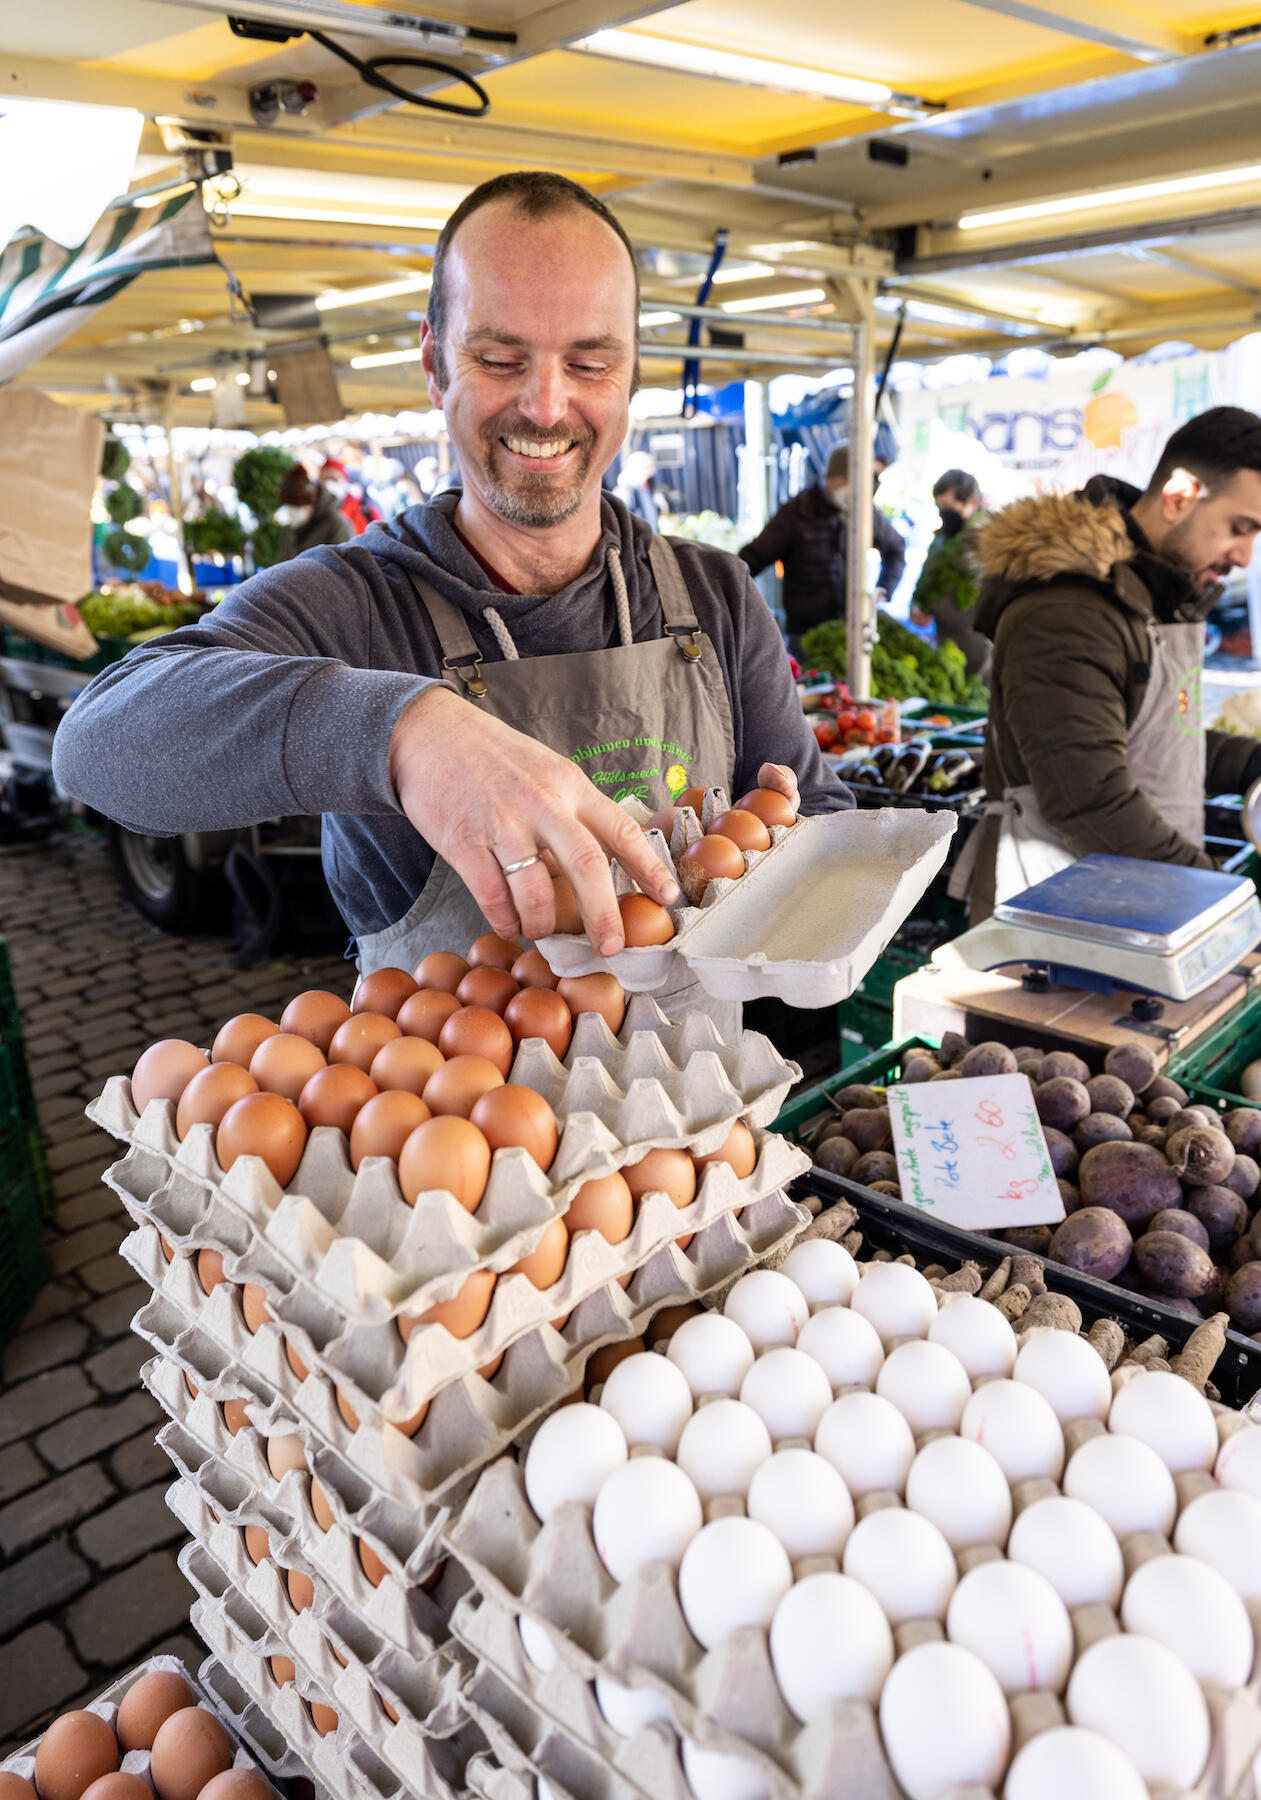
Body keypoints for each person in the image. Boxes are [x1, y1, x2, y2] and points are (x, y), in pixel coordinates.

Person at [52, 170, 851, 1009]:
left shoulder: (711, 593)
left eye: (588, 361)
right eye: (499, 358)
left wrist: (793, 859)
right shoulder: (356, 601)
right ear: (434, 366)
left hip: (701, 1120)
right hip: (449, 1118)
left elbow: (820, 819)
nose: (546, 406)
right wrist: (403, 733)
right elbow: (98, 746)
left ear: (629, 377)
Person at [960, 406, 1261, 921]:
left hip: (1138, 896)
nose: (1245, 557)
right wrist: (1220, 893)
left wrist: (1248, 762)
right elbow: (1089, 800)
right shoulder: (1066, 611)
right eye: (1240, 527)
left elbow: (1151, 738)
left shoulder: (1151, 594)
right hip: (1059, 914)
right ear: (1179, 495)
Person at [738, 446, 906, 655]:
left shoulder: (864, 512)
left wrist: (884, 589)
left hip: (851, 627)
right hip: (806, 634)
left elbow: (896, 549)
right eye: (850, 483)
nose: (855, 492)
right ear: (833, 479)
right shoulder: (796, 512)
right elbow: (753, 558)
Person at [909, 470, 990, 683]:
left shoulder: (989, 540)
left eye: (948, 506)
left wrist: (935, 607)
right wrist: (917, 604)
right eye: (939, 507)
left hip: (981, 645)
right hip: (945, 638)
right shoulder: (941, 540)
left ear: (972, 501)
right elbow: (924, 579)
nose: (943, 513)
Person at [273, 465, 354, 560]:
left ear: (311, 503)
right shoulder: (294, 526)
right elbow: (284, 561)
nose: (292, 512)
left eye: (297, 507)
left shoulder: (337, 525)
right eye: (289, 506)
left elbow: (345, 567)